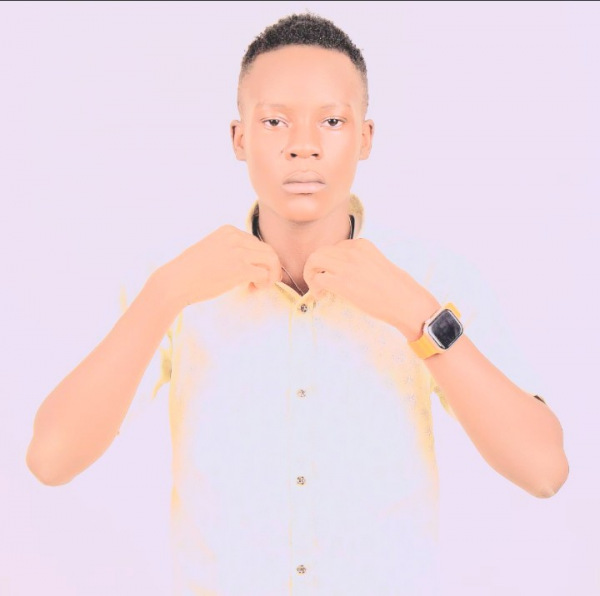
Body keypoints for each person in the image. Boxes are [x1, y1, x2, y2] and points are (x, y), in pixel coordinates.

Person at [26, 12, 569, 596]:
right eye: (275, 121)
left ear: (365, 137)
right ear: (240, 138)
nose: (303, 146)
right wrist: (164, 295)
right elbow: (51, 460)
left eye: (332, 121)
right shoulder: (179, 287)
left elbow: (543, 470)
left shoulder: (431, 279)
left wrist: (418, 317)